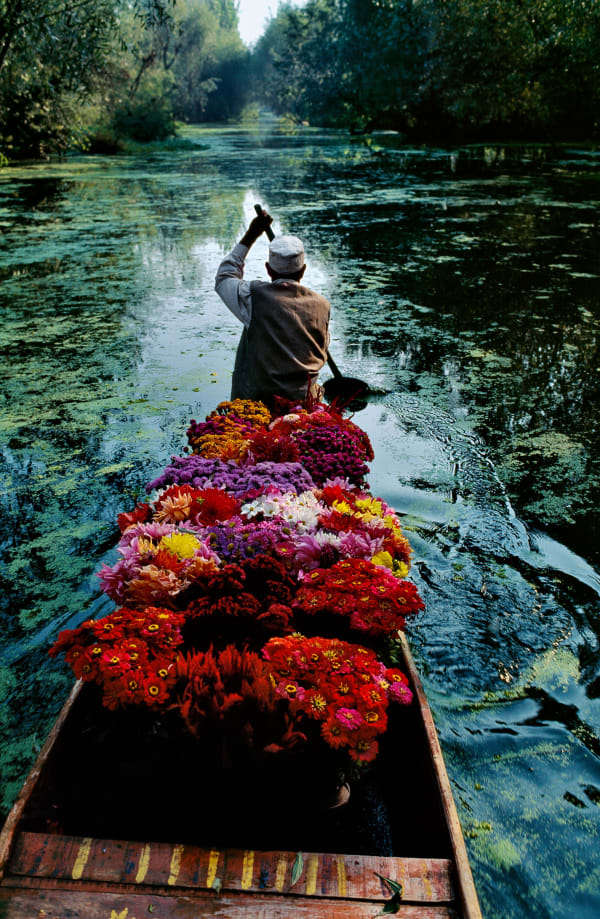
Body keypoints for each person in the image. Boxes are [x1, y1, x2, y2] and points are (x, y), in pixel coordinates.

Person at [215, 209, 330, 406]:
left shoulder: (252, 296)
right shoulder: (323, 305)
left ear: (268, 269)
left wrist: (252, 234)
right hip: (306, 403)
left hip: (258, 404)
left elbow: (225, 276)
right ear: (303, 270)